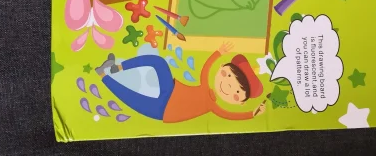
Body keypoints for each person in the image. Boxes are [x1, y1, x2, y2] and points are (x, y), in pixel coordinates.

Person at [95, 42, 266, 123]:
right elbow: (206, 69)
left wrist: (251, 114)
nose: (228, 86)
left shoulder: (213, 107)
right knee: (158, 62)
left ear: (241, 103)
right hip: (171, 90)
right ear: (222, 67)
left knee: (132, 98)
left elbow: (230, 115)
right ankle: (117, 67)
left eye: (237, 93)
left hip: (165, 111)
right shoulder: (205, 86)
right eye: (227, 75)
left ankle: (102, 74)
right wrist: (218, 52)